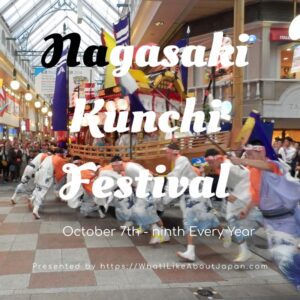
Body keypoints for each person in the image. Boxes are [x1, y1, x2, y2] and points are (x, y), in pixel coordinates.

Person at [230, 140, 300, 288]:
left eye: (249, 154)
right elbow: (256, 196)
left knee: (285, 258)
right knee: (283, 259)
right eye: (246, 154)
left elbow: (268, 167)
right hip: (274, 221)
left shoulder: (275, 164)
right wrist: (247, 210)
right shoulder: (253, 172)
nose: (247, 156)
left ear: (260, 150)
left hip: (289, 216)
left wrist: (240, 160)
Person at [204, 148, 263, 262]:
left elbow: (247, 176)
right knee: (232, 220)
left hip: (245, 196)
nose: (210, 165)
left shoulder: (230, 166)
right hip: (236, 197)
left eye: (211, 162)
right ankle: (245, 250)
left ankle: (246, 248)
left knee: (259, 219)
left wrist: (237, 194)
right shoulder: (224, 166)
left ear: (218, 158)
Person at [164, 143, 219, 261]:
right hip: (189, 196)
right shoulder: (178, 163)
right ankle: (190, 251)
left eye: (167, 151)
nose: (166, 154)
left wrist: (165, 199)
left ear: (174, 152)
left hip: (197, 195)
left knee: (209, 219)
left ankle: (223, 233)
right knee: (189, 221)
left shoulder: (182, 160)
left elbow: (175, 179)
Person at [110, 155, 170, 244]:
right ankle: (164, 235)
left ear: (118, 164)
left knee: (141, 211)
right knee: (151, 214)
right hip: (148, 191)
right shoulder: (129, 168)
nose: (113, 169)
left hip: (147, 192)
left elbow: (144, 180)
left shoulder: (129, 168)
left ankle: (158, 233)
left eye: (113, 167)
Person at [31, 148, 66, 219]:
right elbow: (60, 174)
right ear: (61, 154)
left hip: (38, 173)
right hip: (46, 176)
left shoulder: (49, 157)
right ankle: (35, 209)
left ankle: (32, 200)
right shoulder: (60, 159)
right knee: (42, 192)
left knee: (37, 189)